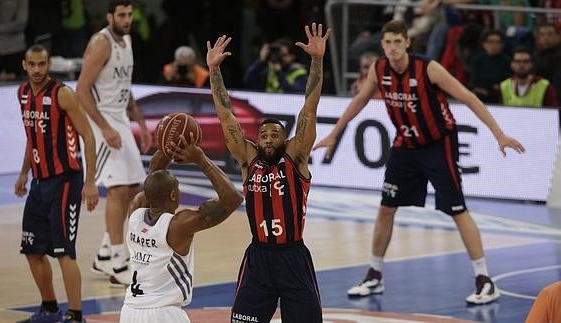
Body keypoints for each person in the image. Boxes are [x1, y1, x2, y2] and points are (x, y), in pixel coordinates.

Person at [313, 20, 525, 305]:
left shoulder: (428, 68)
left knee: (457, 209)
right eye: (387, 43)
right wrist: (334, 134)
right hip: (405, 145)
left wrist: (499, 134)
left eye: (397, 42)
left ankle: (484, 279)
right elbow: (359, 102)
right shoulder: (378, 69)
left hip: (439, 144)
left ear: (407, 43)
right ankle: (374, 273)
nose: (392, 48)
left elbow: (469, 97)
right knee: (386, 209)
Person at [207, 23, 330, 322]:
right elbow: (226, 116)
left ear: (285, 139)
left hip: (293, 258)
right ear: (257, 139)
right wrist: (213, 70)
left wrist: (317, 60)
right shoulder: (249, 160)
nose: (269, 139)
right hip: (259, 258)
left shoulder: (296, 156)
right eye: (264, 135)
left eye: (275, 135)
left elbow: (309, 109)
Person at [14, 44, 99, 323]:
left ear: (49, 64)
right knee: (32, 250)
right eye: (32, 65)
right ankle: (49, 309)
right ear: (24, 65)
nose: (37, 70)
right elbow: (32, 137)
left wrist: (90, 182)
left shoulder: (63, 94)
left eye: (42, 64)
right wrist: (24, 173)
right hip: (38, 183)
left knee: (64, 252)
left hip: (65, 182)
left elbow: (88, 136)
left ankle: (76, 316)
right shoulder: (23, 93)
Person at [119, 141, 244, 323]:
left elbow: (153, 178)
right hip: (163, 314)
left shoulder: (135, 211)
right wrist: (201, 160)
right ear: (172, 195)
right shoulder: (178, 225)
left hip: (129, 311)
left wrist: (168, 146)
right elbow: (233, 199)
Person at [76, 0, 152, 287]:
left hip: (119, 118)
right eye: (121, 15)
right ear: (110, 16)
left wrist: (141, 124)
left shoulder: (127, 41)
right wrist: (104, 128)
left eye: (130, 14)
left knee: (135, 188)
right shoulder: (101, 43)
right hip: (100, 121)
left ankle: (105, 253)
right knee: (119, 189)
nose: (127, 19)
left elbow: (125, 88)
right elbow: (81, 90)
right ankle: (119, 262)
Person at [243, 37, 307, 93]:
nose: (280, 58)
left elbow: (297, 92)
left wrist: (279, 73)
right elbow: (248, 80)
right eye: (279, 55)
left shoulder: (299, 72)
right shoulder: (269, 69)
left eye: (284, 55)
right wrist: (261, 60)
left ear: (292, 56)